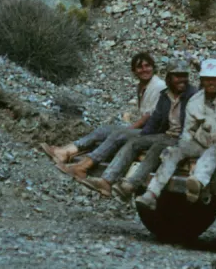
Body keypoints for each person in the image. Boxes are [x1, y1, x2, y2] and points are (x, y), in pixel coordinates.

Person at [138, 59, 216, 209]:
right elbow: (188, 130)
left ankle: (197, 183)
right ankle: (152, 193)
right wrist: (185, 150)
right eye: (207, 79)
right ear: (201, 80)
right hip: (201, 143)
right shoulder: (195, 101)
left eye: (214, 79)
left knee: (213, 152)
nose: (211, 83)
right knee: (174, 152)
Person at [41, 51, 165, 178]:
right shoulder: (143, 86)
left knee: (118, 134)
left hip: (154, 132)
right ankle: (66, 151)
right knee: (104, 129)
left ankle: (84, 167)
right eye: (140, 67)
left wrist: (128, 129)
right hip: (145, 129)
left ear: (153, 67)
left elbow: (149, 116)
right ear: (134, 70)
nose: (144, 70)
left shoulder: (158, 86)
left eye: (147, 66)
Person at [82, 61, 196, 199]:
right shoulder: (165, 95)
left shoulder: (193, 95)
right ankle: (107, 180)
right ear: (169, 78)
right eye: (177, 76)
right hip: (166, 134)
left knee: (157, 147)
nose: (182, 80)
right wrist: (143, 135)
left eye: (184, 76)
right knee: (134, 142)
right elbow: (155, 118)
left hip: (183, 138)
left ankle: (131, 184)